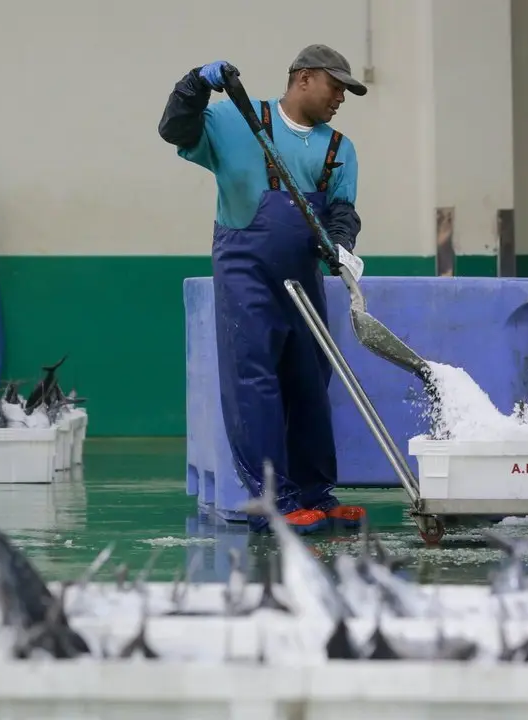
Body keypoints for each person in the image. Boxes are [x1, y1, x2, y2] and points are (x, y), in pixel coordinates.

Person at [158, 45, 367, 535]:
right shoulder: (234, 120)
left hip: (303, 277)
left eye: (345, 91)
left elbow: (341, 211)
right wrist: (195, 83)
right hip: (245, 271)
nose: (340, 98)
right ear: (303, 78)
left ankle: (315, 494)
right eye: (335, 86)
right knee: (255, 382)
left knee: (310, 381)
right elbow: (174, 129)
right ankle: (275, 501)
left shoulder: (339, 148)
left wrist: (340, 245)